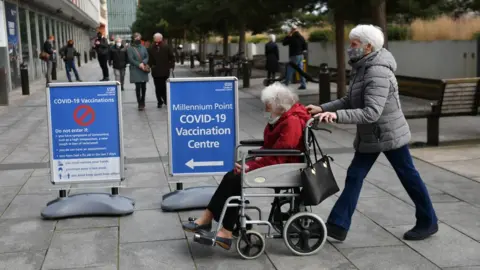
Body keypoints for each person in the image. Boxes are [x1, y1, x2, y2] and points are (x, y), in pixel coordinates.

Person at [306, 24, 438, 242]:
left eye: (354, 44)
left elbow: (371, 112)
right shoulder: (363, 67)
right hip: (372, 136)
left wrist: (337, 117)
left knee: (408, 176)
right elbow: (350, 100)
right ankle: (337, 225)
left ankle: (428, 221)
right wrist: (323, 109)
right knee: (355, 175)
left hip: (388, 134)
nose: (350, 48)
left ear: (368, 47)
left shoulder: (377, 71)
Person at [182, 82, 311, 250]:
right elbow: (271, 149)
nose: (265, 109)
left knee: (235, 178)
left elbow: (280, 155)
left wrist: (251, 166)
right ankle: (217, 224)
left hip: (284, 167)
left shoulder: (291, 122)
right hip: (275, 162)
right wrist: (252, 162)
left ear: (279, 106)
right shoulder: (280, 119)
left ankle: (218, 225)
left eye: (268, 105)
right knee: (233, 176)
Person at [148, 33, 175, 108]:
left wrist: (171, 66)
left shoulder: (166, 46)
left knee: (164, 86)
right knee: (157, 87)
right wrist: (148, 66)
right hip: (156, 70)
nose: (155, 39)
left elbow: (172, 57)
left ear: (160, 38)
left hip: (164, 70)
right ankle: (159, 101)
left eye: (156, 38)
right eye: (154, 38)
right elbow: (150, 59)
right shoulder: (151, 47)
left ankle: (165, 100)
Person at [127, 33, 149, 111]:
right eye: (136, 38)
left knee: (144, 87)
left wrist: (143, 62)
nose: (137, 39)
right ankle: (139, 103)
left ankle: (143, 100)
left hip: (143, 69)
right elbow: (130, 59)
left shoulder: (143, 47)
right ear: (133, 39)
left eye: (139, 38)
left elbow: (147, 56)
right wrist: (138, 64)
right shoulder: (130, 48)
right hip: (136, 69)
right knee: (138, 86)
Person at [282, 24, 307, 90]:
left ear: (292, 30)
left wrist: (288, 35)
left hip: (294, 56)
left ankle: (286, 83)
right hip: (301, 56)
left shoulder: (292, 38)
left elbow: (284, 43)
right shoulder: (301, 37)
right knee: (301, 71)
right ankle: (303, 84)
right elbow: (305, 47)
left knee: (290, 69)